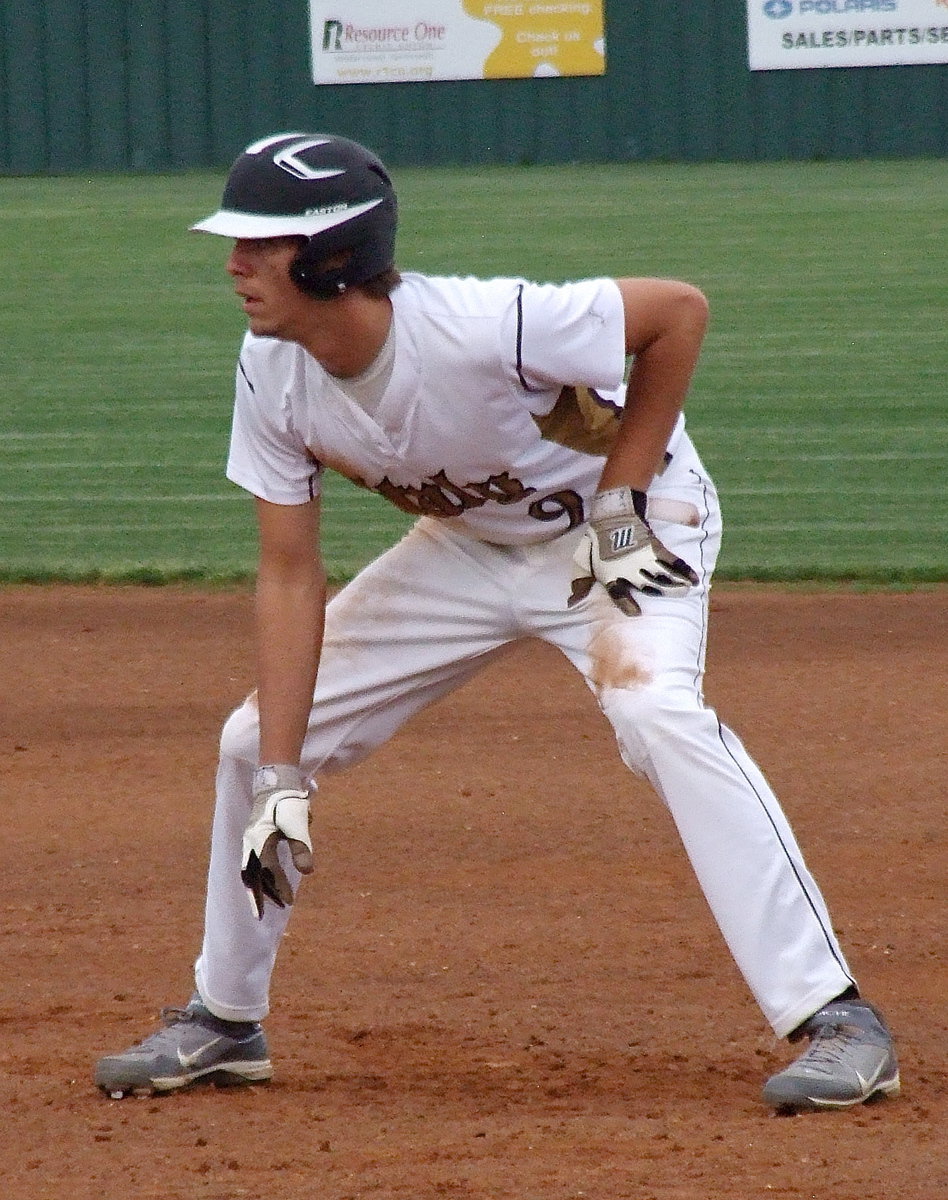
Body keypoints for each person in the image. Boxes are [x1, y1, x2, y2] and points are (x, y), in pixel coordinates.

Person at [94, 132, 899, 1113]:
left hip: (613, 530)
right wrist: (280, 775)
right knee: (249, 741)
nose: (232, 265)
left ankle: (839, 1017)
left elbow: (678, 315)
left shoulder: (486, 326)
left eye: (259, 245)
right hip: (468, 547)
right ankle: (224, 1018)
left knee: (658, 719)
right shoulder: (271, 370)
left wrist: (620, 503)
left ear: (330, 255)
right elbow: (288, 573)